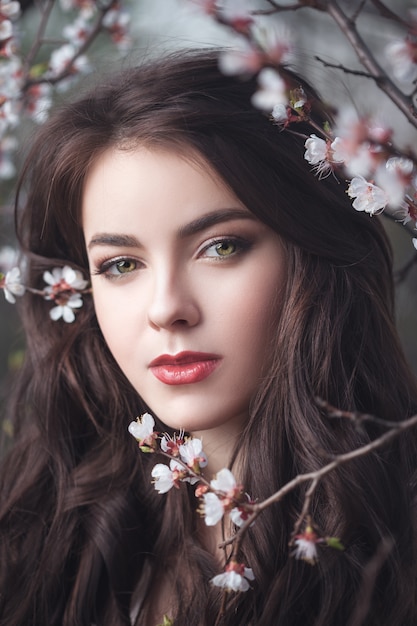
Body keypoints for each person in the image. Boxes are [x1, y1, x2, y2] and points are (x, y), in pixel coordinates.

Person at [1, 49, 417, 626]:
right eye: (121, 264)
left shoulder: (395, 554)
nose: (167, 309)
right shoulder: (44, 539)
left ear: (311, 252)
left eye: (221, 247)